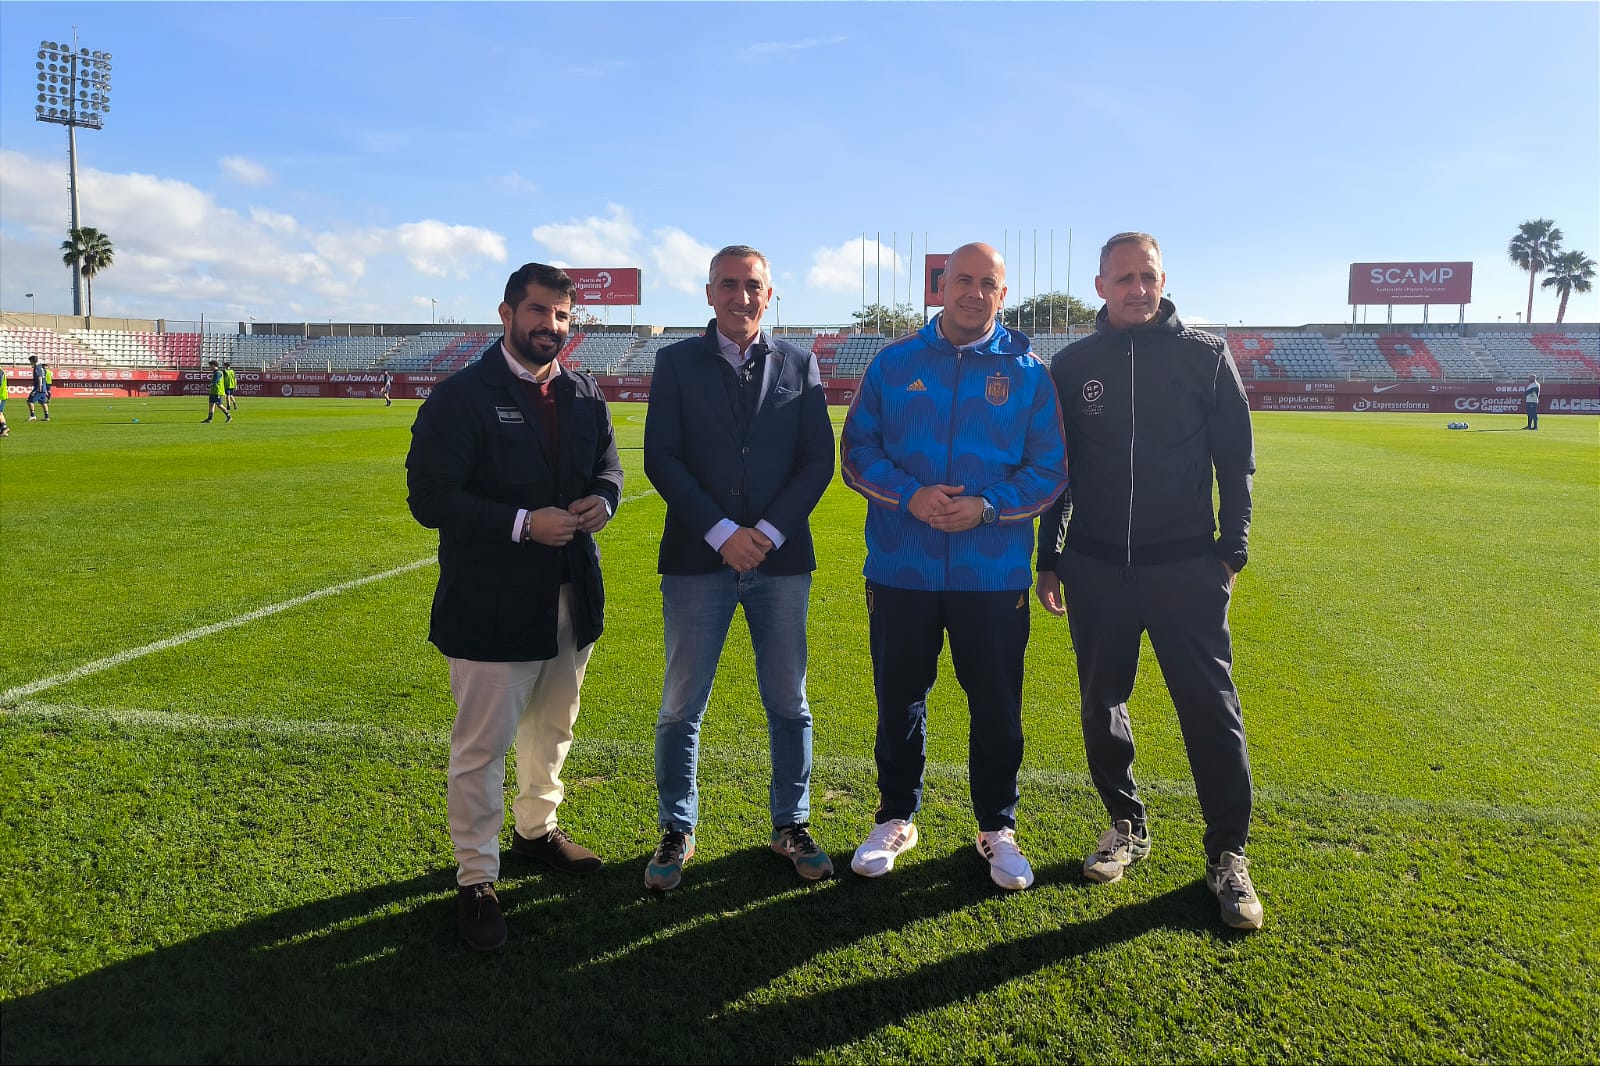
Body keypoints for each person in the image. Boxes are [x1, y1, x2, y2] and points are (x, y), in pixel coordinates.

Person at [1034, 231, 1263, 931]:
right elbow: (1057, 473)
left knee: (1210, 709)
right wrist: (1050, 555)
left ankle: (1228, 853)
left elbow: (1236, 458)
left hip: (1186, 565)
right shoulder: (1072, 365)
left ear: (1164, 281)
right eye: (1124, 277)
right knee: (1101, 701)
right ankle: (1125, 824)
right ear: (1100, 285)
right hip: (1097, 565)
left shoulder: (1204, 354)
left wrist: (1232, 550)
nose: (1138, 288)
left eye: (1149, 276)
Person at [405, 262, 623, 951]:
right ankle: (475, 877)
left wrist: (605, 500)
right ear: (506, 313)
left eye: (562, 316)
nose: (549, 327)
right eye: (537, 312)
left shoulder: (584, 393)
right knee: (482, 748)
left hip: (571, 593)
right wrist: (523, 523)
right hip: (491, 601)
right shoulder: (461, 397)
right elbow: (430, 499)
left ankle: (535, 832)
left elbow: (610, 468)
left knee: (553, 730)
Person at [840, 242, 1067, 892]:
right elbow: (857, 450)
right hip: (901, 570)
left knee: (996, 707)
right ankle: (895, 817)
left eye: (986, 283)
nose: (973, 292)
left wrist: (987, 508)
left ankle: (997, 827)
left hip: (991, 578)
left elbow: (1050, 470)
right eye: (961, 280)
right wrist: (909, 494)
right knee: (899, 699)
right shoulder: (895, 362)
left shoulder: (1028, 373)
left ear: (1003, 293)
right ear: (941, 286)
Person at [642, 245, 837, 891]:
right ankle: (676, 827)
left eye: (752, 286)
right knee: (680, 706)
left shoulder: (799, 363)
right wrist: (724, 533)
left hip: (782, 565)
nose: (741, 297)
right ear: (708, 293)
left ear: (770, 293)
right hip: (699, 559)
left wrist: (769, 533)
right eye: (729, 285)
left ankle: (792, 822)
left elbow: (817, 460)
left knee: (789, 703)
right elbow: (662, 459)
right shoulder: (674, 363)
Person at [27, 356, 51, 422]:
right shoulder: (42, 367)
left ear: (32, 361)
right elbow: (43, 377)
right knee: (43, 402)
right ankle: (47, 416)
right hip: (44, 387)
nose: (30, 362)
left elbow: (40, 377)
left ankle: (33, 415)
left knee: (30, 401)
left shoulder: (37, 367)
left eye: (30, 361)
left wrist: (39, 386)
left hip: (38, 388)